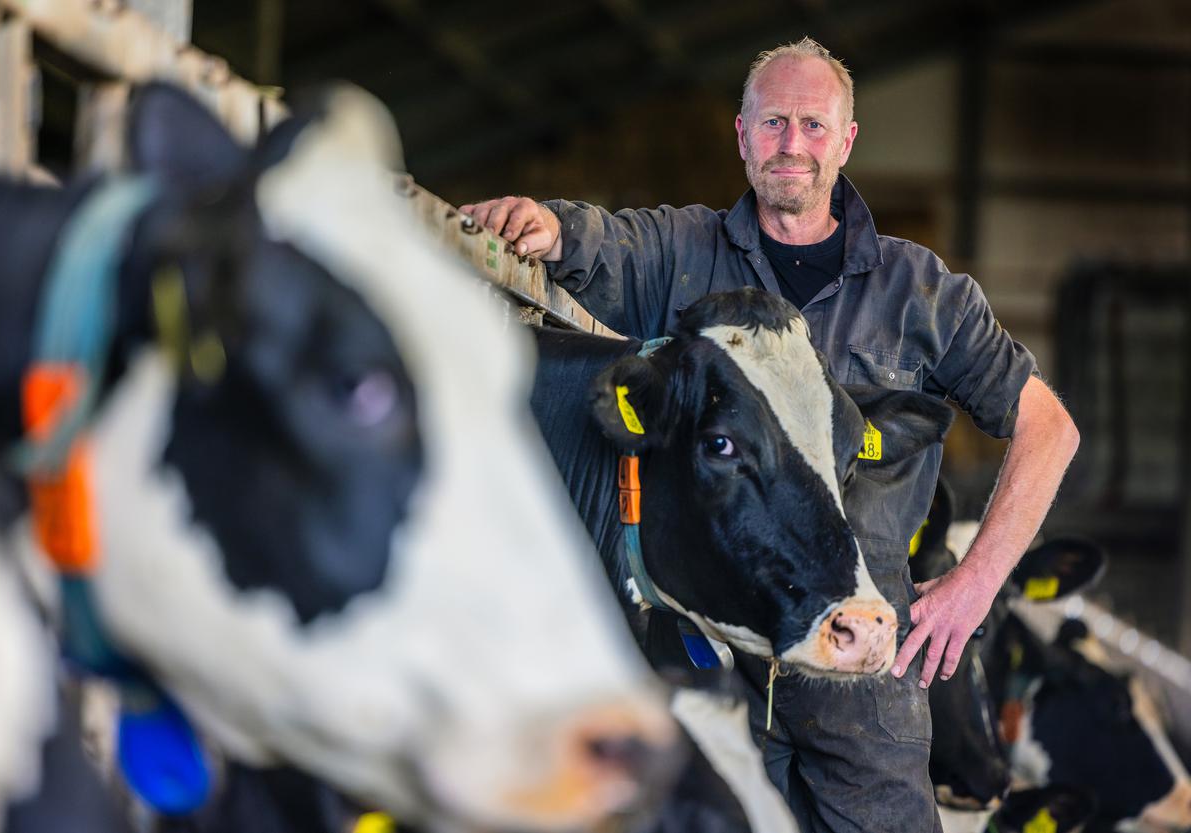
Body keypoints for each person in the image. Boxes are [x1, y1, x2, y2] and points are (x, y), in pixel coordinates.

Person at [462, 37, 1079, 833]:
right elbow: (594, 242)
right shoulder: (681, 252)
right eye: (775, 122)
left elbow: (1049, 427)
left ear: (847, 139)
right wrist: (543, 223)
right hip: (710, 668)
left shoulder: (921, 292)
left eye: (814, 126)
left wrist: (978, 581)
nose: (793, 144)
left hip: (864, 680)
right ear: (742, 135)